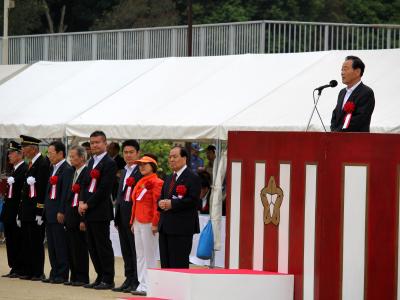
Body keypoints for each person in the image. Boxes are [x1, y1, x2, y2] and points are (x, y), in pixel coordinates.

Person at [79, 131, 117, 290]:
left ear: (105, 143)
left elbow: (104, 189)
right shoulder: (90, 162)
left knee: (102, 245)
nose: (94, 145)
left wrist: (88, 204)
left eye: (97, 142)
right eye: (92, 142)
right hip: (87, 210)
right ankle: (99, 275)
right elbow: (84, 183)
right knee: (92, 246)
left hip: (100, 211)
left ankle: (108, 278)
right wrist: (81, 200)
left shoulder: (109, 163)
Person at [158, 146, 201, 268]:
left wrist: (172, 204)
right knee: (165, 263)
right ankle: (166, 287)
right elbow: (162, 197)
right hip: (165, 226)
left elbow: (194, 201)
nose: (171, 159)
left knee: (178, 263)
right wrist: (160, 203)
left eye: (175, 157)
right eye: (170, 157)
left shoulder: (192, 177)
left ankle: (178, 287)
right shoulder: (169, 177)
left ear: (184, 158)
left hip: (181, 228)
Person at [130, 155, 163, 296]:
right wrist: (133, 221)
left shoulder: (157, 182)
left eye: (145, 164)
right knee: (140, 255)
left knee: (149, 255)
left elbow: (157, 205)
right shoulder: (140, 181)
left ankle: (149, 286)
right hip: (138, 221)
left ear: (153, 166)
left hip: (149, 222)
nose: (141, 167)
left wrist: (155, 223)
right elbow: (135, 203)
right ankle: (141, 284)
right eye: (140, 165)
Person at [112, 140, 142, 293]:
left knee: (135, 250)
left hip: (134, 217)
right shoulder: (124, 171)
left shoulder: (141, 171)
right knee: (125, 250)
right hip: (122, 215)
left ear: (138, 153)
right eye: (126, 152)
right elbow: (119, 195)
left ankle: (137, 280)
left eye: (131, 152)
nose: (128, 155)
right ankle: (128, 278)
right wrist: (117, 217)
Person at [19, 135, 50, 281]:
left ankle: (38, 271)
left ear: (33, 148)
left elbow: (42, 189)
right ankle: (29, 270)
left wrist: (39, 211)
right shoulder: (32, 163)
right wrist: (21, 212)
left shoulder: (42, 163)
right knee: (27, 241)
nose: (23, 151)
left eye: (25, 148)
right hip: (27, 210)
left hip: (35, 211)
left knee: (36, 242)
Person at [43, 141, 73, 284]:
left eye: (51, 153)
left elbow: (66, 192)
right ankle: (54, 271)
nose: (49, 156)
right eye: (48, 153)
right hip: (49, 211)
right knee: (52, 245)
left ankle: (61, 273)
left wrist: (62, 210)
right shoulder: (52, 168)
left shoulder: (66, 169)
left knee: (60, 244)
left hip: (58, 212)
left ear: (61, 153)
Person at [0, 141, 27, 278]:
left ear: (19, 154)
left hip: (16, 211)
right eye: (9, 153)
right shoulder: (14, 169)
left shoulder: (24, 169)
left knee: (17, 240)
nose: (9, 156)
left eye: (11, 153)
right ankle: (13, 267)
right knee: (10, 241)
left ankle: (19, 267)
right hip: (9, 211)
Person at [64, 145, 90, 286]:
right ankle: (74, 276)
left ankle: (82, 277)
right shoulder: (73, 172)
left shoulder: (86, 172)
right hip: (70, 215)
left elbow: (84, 196)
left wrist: (83, 219)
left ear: (81, 157)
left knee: (80, 247)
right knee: (71, 247)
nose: (71, 159)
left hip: (79, 215)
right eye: (70, 156)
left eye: (73, 156)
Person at [330, 55, 375, 132]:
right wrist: (334, 131)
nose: (342, 73)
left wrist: (338, 132)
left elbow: (358, 120)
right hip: (338, 139)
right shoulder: (342, 92)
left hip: (356, 140)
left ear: (357, 72)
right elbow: (335, 115)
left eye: (345, 69)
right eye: (342, 70)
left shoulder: (366, 93)